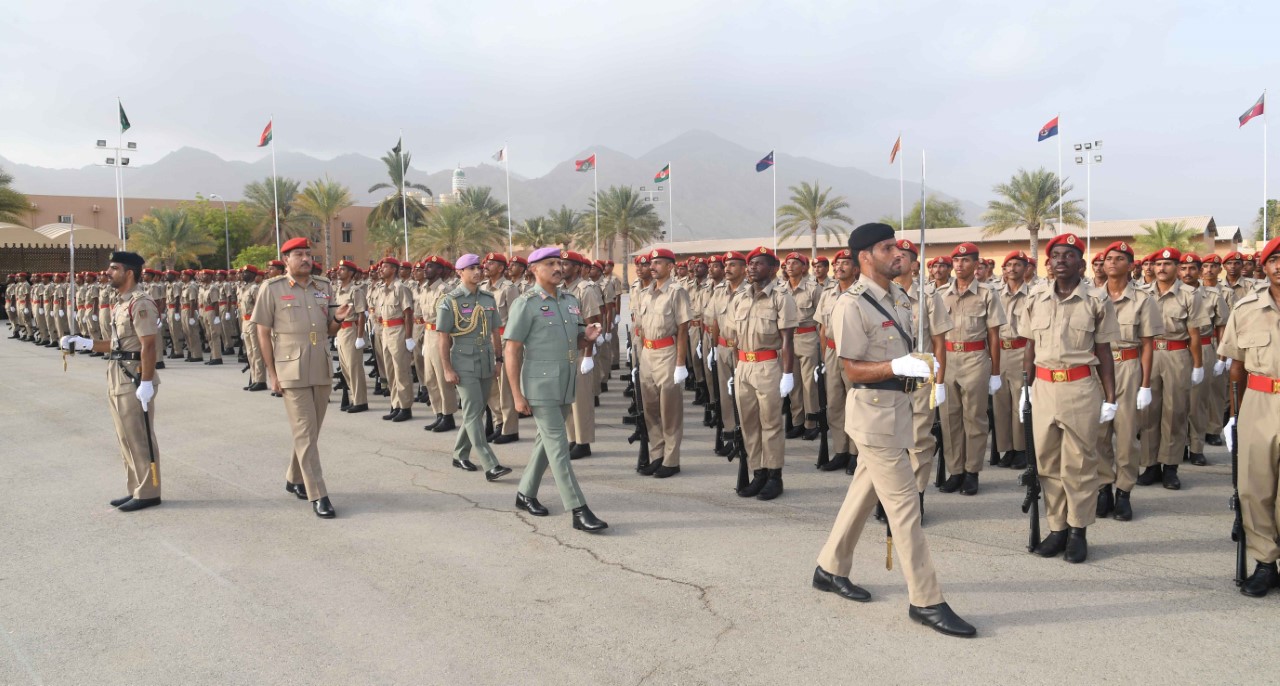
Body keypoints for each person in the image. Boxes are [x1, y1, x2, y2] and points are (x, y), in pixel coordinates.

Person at [813, 223, 975, 638]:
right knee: (905, 510)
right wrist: (894, 366)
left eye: (897, 247)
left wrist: (917, 368)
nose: (897, 253)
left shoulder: (898, 297)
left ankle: (830, 567)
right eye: (887, 248)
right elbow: (852, 369)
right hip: (874, 417)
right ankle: (926, 600)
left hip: (897, 409)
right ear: (865, 256)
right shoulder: (851, 305)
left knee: (862, 494)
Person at [1017, 233, 1118, 563]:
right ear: (1049, 263)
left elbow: (1103, 351)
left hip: (1079, 388)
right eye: (1056, 255)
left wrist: (1110, 397)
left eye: (1069, 255)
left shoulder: (1096, 301)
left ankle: (1078, 531)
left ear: (1081, 263)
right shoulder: (1035, 298)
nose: (1061, 260)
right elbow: (1030, 347)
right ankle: (1057, 528)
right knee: (1047, 463)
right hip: (1043, 387)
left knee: (1079, 464)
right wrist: (1025, 390)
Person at [504, 247, 607, 532]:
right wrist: (516, 395)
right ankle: (578, 508)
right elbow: (512, 350)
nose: (558, 268)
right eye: (550, 263)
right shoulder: (525, 303)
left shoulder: (569, 301)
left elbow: (574, 340)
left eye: (559, 263)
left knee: (545, 442)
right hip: (540, 385)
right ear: (534, 269)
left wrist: (586, 338)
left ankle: (525, 493)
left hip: (565, 382)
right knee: (559, 446)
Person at [252, 237, 350, 519]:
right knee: (306, 431)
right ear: (286, 260)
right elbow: (262, 333)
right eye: (299, 254)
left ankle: (294, 477)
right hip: (290, 368)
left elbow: (329, 330)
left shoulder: (323, 286)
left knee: (311, 431)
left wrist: (339, 319)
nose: (306, 259)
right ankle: (318, 493)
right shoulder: (272, 288)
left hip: (320, 363)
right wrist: (271, 374)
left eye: (308, 254)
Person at [60, 251, 163, 512]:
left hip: (134, 378)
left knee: (139, 437)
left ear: (129, 273)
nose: (108, 272)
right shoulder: (121, 303)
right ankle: (136, 488)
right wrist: (84, 343)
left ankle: (149, 492)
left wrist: (146, 382)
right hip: (118, 375)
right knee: (125, 438)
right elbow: (117, 345)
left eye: (114, 268)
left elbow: (148, 345)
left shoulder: (140, 303)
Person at [1219, 235, 1280, 597]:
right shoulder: (1246, 309)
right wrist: (1234, 415)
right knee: (1255, 487)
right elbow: (1237, 367)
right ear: (1265, 266)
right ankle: (1265, 562)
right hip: (1258, 399)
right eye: (1274, 260)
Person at [1094, 241, 1160, 521]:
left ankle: (1123, 492)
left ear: (1131, 265)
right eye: (1108, 258)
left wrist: (1145, 384)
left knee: (1126, 435)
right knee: (1098, 434)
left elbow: (1147, 345)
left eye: (1119, 258)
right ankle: (1103, 489)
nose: (1111, 262)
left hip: (1128, 366)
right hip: (1097, 369)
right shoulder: (1092, 296)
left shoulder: (1143, 299)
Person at [1136, 248, 1208, 490]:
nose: (1161, 268)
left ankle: (1170, 467)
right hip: (1148, 354)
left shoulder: (1190, 295)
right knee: (1148, 412)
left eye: (1167, 264)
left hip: (1177, 355)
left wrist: (1198, 365)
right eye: (1158, 264)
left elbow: (1194, 334)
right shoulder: (1142, 292)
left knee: (1175, 411)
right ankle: (1150, 465)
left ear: (1177, 268)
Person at [936, 243, 1005, 495]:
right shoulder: (941, 293)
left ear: (976, 265)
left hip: (975, 358)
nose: (959, 264)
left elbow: (994, 335)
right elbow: (935, 334)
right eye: (956, 260)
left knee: (974, 418)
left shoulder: (987, 293)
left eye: (965, 260)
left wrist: (995, 372)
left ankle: (972, 471)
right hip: (948, 358)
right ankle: (955, 471)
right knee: (949, 418)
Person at [731, 246, 798, 499]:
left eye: (758, 263)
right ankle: (757, 472)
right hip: (744, 366)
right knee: (749, 424)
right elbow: (734, 338)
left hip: (768, 366)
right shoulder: (741, 297)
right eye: (750, 263)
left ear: (773, 269)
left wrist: (787, 374)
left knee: (770, 424)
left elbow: (787, 339)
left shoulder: (781, 297)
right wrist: (735, 370)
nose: (752, 267)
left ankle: (774, 476)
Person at [438, 254, 512, 480]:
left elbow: (495, 332)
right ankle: (491, 464)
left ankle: (459, 454)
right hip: (463, 361)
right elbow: (443, 337)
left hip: (486, 359)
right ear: (460, 272)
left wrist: (498, 360)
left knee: (477, 411)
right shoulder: (450, 300)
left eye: (479, 267)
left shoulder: (488, 298)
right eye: (471, 268)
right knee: (472, 412)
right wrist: (447, 368)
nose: (478, 271)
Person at [816, 249, 859, 473]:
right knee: (834, 404)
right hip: (832, 352)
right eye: (837, 263)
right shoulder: (828, 293)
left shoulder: (863, 293)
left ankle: (855, 453)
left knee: (855, 404)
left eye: (845, 263)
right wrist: (824, 358)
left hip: (854, 353)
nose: (840, 267)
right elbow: (823, 329)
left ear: (856, 268)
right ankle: (841, 451)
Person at [562, 251, 605, 459]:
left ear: (577, 268)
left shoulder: (584, 289)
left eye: (566, 264)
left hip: (581, 350)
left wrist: (588, 354)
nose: (561, 267)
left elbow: (594, 322)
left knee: (581, 400)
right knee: (568, 399)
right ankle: (572, 438)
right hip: (565, 350)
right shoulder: (561, 289)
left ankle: (583, 442)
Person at [993, 250, 1032, 469]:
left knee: (1020, 400)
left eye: (1018, 265)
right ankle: (1006, 448)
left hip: (1021, 349)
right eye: (1009, 265)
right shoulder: (995, 293)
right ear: (1004, 269)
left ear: (1026, 269)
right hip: (1000, 350)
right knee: (1001, 402)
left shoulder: (1033, 294)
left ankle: (1021, 449)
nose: (1013, 269)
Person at [780, 252, 822, 440]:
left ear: (804, 267)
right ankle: (797, 421)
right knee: (793, 382)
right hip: (787, 340)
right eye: (788, 263)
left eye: (795, 263)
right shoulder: (781, 289)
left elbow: (822, 318)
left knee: (809, 383)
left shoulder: (813, 288)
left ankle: (811, 423)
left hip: (808, 337)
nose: (790, 266)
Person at [481, 252, 521, 443]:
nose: (486, 265)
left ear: (501, 268)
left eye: (491, 263)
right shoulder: (483, 288)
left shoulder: (509, 288)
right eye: (486, 262)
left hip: (505, 339)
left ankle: (510, 429)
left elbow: (516, 317)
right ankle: (499, 423)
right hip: (487, 339)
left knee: (505, 386)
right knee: (491, 386)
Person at [373, 258, 416, 422]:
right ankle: (395, 404)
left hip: (398, 331)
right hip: (385, 330)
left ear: (393, 269)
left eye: (384, 267)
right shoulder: (382, 289)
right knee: (390, 371)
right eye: (381, 267)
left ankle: (405, 407)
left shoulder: (400, 288)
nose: (381, 269)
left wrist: (409, 337)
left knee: (401, 371)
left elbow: (408, 314)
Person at [334, 260, 369, 412]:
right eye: (339, 269)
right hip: (341, 331)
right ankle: (354, 398)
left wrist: (360, 337)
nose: (339, 271)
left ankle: (361, 401)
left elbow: (361, 314)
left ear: (350, 273)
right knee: (345, 368)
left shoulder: (355, 291)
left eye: (342, 269)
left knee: (354, 367)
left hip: (351, 330)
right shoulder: (339, 290)